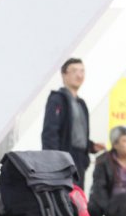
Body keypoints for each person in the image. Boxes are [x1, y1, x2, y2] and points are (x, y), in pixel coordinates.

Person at [41, 57, 105, 189]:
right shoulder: (57, 100)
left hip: (79, 162)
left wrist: (91, 146)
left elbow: (78, 135)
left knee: (77, 201)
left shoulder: (81, 104)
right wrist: (54, 163)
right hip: (62, 162)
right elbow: (50, 134)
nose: (79, 75)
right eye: (74, 71)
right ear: (64, 74)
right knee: (63, 201)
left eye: (82, 71)